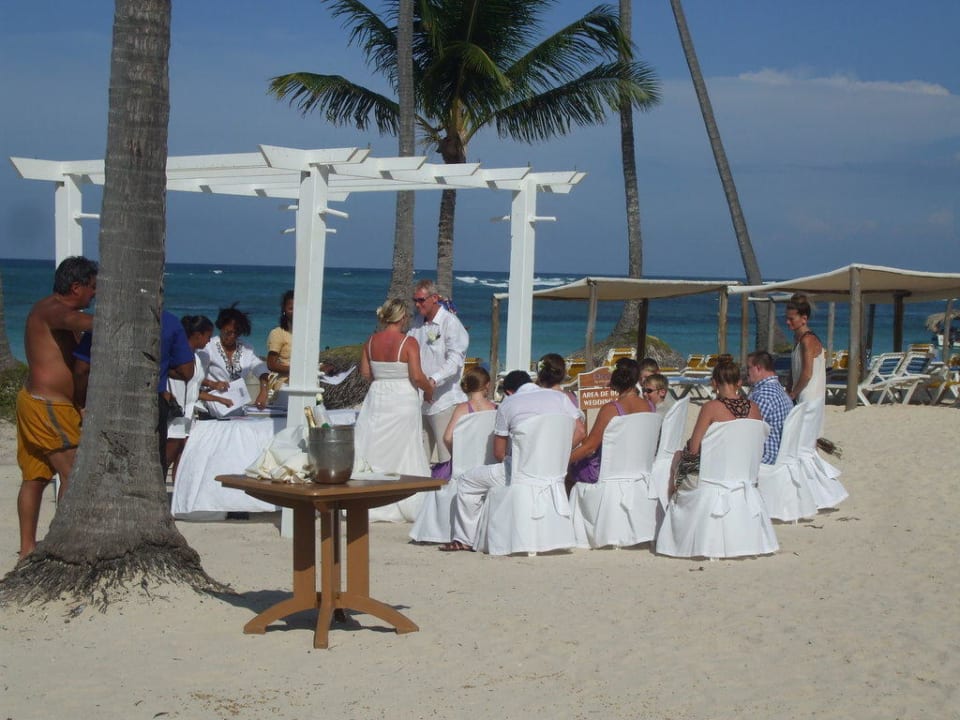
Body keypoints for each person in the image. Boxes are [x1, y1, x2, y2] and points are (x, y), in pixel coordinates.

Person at [441, 357, 586, 552]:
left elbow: (499, 452)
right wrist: (557, 452)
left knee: (467, 481)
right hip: (554, 470)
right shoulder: (560, 398)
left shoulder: (508, 404)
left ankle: (465, 539)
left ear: (508, 391)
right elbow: (581, 431)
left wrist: (524, 457)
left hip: (521, 472)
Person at [15, 256, 97, 559]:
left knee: (35, 477)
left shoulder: (53, 308)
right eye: (92, 288)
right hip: (47, 406)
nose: (95, 294)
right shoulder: (53, 310)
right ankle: (62, 543)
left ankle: (27, 548)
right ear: (75, 287)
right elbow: (85, 323)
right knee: (72, 475)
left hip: (39, 402)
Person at [354, 298, 435, 522]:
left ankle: (369, 496)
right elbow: (417, 376)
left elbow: (365, 373)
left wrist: (383, 378)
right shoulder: (408, 343)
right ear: (402, 317)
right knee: (404, 445)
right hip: (402, 398)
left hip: (378, 396)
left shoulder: (370, 341)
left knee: (373, 443)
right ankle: (400, 497)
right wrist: (429, 389)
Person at [671, 359, 762, 498]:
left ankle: (674, 512)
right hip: (744, 476)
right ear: (739, 382)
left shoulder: (710, 408)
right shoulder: (754, 408)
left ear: (714, 383)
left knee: (676, 459)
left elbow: (693, 450)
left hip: (714, 480)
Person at [407, 279, 469, 472]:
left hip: (444, 400)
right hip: (420, 401)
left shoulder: (450, 323)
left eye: (421, 300)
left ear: (434, 298)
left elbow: (455, 361)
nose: (417, 304)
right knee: (420, 457)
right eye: (414, 300)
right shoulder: (416, 324)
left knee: (446, 458)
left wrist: (432, 381)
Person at [567, 358, 652, 493]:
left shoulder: (611, 409)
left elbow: (589, 448)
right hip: (638, 471)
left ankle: (577, 512)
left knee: (571, 469)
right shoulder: (649, 406)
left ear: (615, 379)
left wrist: (563, 460)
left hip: (609, 474)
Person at [165, 315, 214, 479]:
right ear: (198, 335)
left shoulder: (200, 358)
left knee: (184, 458)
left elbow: (196, 384)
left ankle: (178, 495)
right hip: (175, 413)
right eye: (208, 336)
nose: (209, 341)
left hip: (189, 414)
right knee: (167, 457)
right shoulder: (177, 353)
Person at [431, 366, 498, 480]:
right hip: (490, 464)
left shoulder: (462, 408)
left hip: (466, 466)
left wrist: (458, 451)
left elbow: (447, 438)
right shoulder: (496, 409)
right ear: (487, 385)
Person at [202, 304, 269, 412]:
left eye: (236, 333)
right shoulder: (208, 347)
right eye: (228, 332)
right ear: (221, 327)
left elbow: (261, 369)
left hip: (237, 406)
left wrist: (263, 391)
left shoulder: (247, 349)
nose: (232, 336)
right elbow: (194, 375)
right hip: (212, 405)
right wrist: (213, 384)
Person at [158, 310, 196, 475]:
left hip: (182, 412)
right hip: (168, 408)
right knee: (163, 457)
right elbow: (186, 372)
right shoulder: (169, 322)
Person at [786, 293, 826, 435]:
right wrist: (789, 387)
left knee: (807, 440)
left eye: (791, 319)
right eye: (787, 318)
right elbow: (794, 368)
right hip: (802, 395)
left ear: (803, 319)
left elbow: (807, 373)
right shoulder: (798, 338)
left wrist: (793, 393)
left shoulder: (808, 340)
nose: (787, 322)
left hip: (810, 397)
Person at [747, 350, 793, 464]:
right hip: (781, 454)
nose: (747, 372)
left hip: (766, 459)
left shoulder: (763, 396)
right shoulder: (781, 392)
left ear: (758, 368)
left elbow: (748, 431)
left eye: (748, 368)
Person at [265, 289, 293, 403]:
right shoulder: (278, 333)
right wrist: (296, 370)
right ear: (284, 310)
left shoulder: (306, 334)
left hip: (306, 382)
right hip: (285, 385)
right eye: (291, 308)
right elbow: (271, 364)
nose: (295, 311)